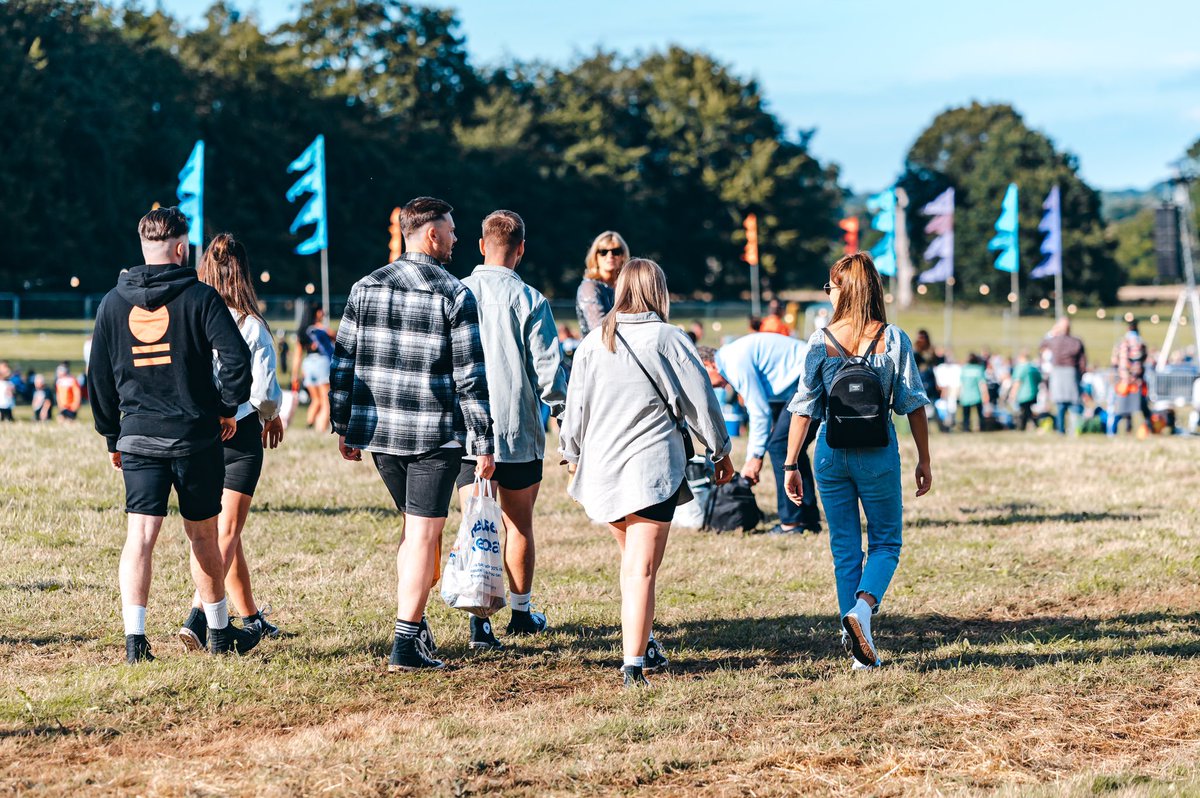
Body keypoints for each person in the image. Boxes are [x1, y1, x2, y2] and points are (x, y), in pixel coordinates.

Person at [87, 206, 259, 663]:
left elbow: (98, 378)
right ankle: (220, 635)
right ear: (182, 248)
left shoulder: (111, 302)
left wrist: (111, 436)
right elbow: (238, 361)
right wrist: (227, 410)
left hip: (137, 437)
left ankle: (135, 641)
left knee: (139, 537)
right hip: (194, 436)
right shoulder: (201, 298)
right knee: (203, 536)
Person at [330, 196, 494, 673]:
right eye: (452, 230)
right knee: (424, 534)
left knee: (412, 531)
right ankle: (405, 640)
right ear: (432, 235)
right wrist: (483, 443)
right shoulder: (455, 294)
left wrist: (345, 425)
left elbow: (345, 362)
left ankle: (415, 624)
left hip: (381, 435)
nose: (457, 239)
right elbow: (470, 377)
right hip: (434, 435)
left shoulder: (365, 287)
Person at [560, 258, 735, 688]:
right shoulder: (669, 337)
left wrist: (571, 455)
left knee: (633, 565)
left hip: (601, 471)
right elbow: (701, 402)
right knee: (641, 569)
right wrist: (720, 450)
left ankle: (647, 643)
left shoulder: (592, 342)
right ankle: (634, 664)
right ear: (659, 291)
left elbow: (574, 408)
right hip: (649, 469)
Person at [782, 252, 931, 671]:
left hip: (830, 449)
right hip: (877, 451)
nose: (827, 294)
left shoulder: (820, 340)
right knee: (886, 542)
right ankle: (862, 612)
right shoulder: (893, 338)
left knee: (844, 548)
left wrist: (792, 463)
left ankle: (858, 652)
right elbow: (912, 403)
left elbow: (804, 407)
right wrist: (924, 459)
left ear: (841, 290)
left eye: (830, 286)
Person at [453, 210, 568, 650]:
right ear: (521, 249)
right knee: (518, 526)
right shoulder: (531, 300)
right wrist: (562, 419)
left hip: (467, 434)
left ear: (481, 245)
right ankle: (520, 613)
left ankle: (480, 624)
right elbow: (549, 374)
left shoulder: (457, 292)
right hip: (518, 432)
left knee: (475, 524)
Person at [177, 234, 285, 652]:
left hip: (200, 431)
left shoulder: (192, 317)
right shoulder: (250, 324)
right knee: (226, 532)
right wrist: (271, 419)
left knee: (226, 533)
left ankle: (251, 616)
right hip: (239, 432)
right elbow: (264, 393)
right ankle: (198, 615)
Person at [698, 334, 822, 534]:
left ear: (708, 365)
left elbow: (759, 411)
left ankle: (792, 524)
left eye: (705, 381)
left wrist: (755, 458)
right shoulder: (732, 357)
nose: (713, 387)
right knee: (791, 450)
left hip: (810, 375)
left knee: (781, 446)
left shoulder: (732, 362)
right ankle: (807, 519)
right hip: (808, 375)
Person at [575, 231, 628, 337]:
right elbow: (599, 328)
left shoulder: (626, 286)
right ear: (595, 256)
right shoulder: (589, 287)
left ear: (623, 255)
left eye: (616, 251)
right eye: (603, 252)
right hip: (597, 349)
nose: (610, 256)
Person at [1042, 318, 1087, 434]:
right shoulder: (1076, 341)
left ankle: (1061, 430)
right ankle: (1075, 430)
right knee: (1074, 403)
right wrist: (1080, 375)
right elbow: (1082, 362)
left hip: (1057, 373)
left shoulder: (1053, 341)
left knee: (1060, 404)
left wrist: (1052, 331)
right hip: (1071, 373)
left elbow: (1042, 344)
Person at [1114, 319, 1151, 433]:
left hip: (1126, 379)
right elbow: (1143, 358)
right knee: (1141, 404)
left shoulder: (1123, 342)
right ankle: (1148, 426)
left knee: (1128, 405)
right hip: (1136, 379)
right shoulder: (1140, 342)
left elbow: (1117, 360)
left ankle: (1129, 428)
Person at [301, 337, 331, 431]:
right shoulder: (320, 329)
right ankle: (321, 429)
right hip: (322, 362)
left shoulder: (303, 331)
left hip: (308, 363)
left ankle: (309, 424)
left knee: (316, 400)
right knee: (325, 401)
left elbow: (298, 352)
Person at [1009, 350, 1042, 431]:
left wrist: (1012, 394)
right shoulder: (1033, 367)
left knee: (1025, 411)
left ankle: (1024, 427)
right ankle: (1028, 426)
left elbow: (1017, 382)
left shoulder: (1020, 368)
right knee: (1027, 410)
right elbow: (1039, 379)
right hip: (1033, 392)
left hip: (1023, 394)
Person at [957, 354, 989, 432]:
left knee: (966, 415)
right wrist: (985, 394)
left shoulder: (964, 369)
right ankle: (982, 428)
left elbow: (961, 384)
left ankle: (966, 429)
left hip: (965, 396)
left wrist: (958, 395)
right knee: (980, 414)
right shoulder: (979, 369)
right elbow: (982, 384)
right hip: (977, 395)